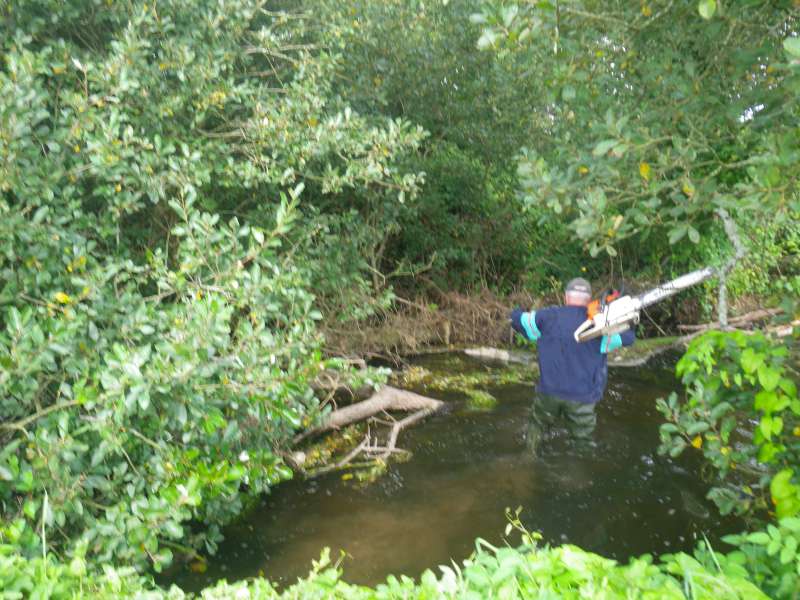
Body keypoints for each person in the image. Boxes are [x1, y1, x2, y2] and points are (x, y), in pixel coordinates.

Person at [510, 277, 635, 453]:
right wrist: (622, 317)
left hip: (548, 394)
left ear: (566, 297)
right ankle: (577, 474)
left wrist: (515, 311)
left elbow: (517, 320)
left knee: (537, 428)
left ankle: (529, 457)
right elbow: (629, 338)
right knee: (582, 443)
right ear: (588, 299)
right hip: (582, 398)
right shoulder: (599, 326)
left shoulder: (546, 317)